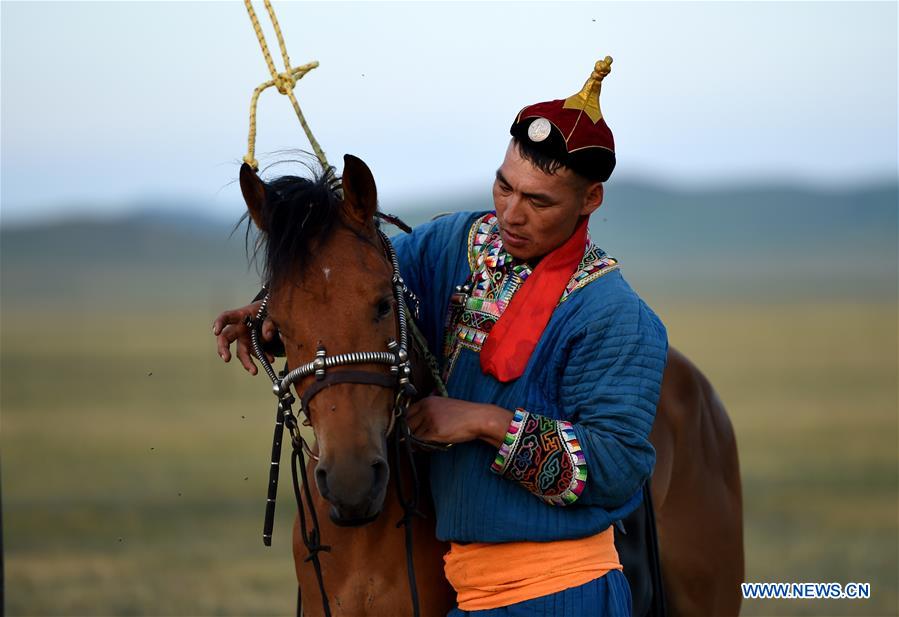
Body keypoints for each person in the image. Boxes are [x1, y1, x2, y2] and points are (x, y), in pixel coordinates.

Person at [215, 57, 668, 616]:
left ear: (590, 199)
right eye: (504, 186)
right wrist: (271, 313)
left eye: (539, 201)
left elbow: (617, 467)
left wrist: (481, 421)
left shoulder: (616, 314)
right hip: (468, 595)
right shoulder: (451, 245)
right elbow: (351, 292)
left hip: (562, 594)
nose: (511, 213)